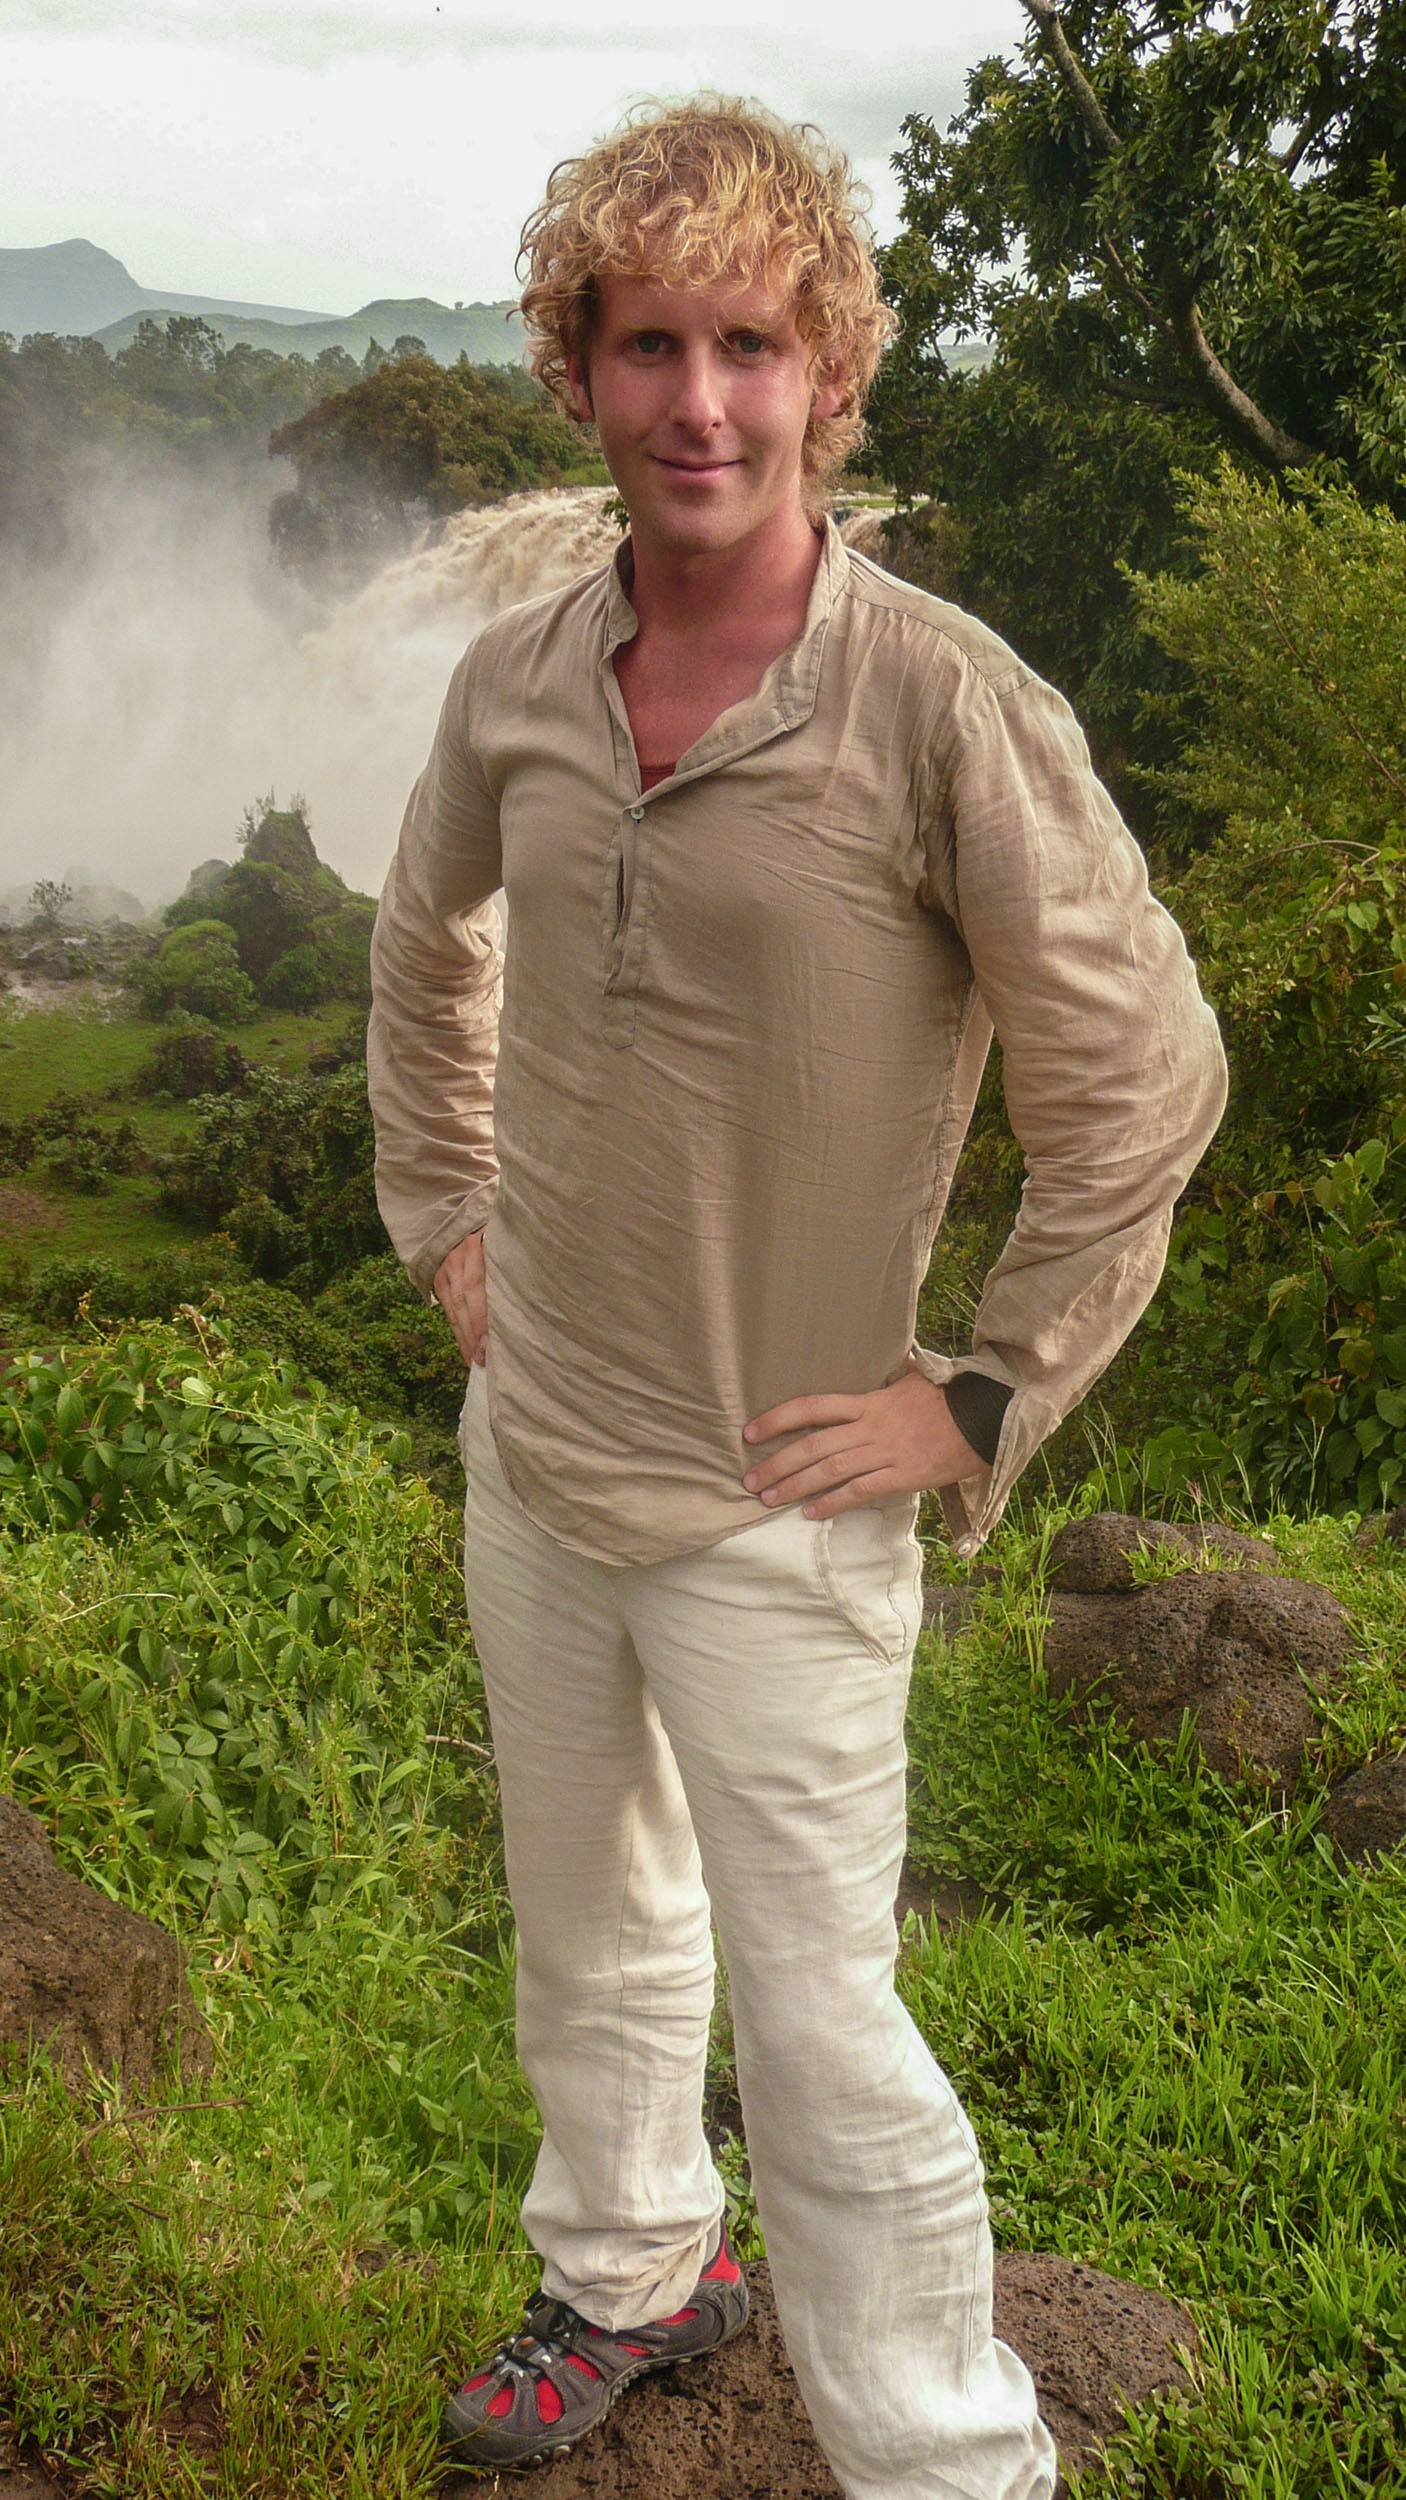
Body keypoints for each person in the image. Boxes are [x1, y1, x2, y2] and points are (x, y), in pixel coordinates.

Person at [365, 93, 1228, 2500]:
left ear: (828, 371)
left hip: (776, 1494)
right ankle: (631, 2267)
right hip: (541, 1447)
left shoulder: (941, 708)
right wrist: (449, 1217)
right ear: (581, 370)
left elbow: (1145, 1076)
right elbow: (422, 941)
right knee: (588, 1930)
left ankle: (950, 2459)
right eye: (651, 344)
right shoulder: (523, 676)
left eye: (751, 342)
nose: (700, 402)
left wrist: (980, 1387)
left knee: (829, 2032)